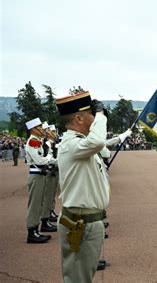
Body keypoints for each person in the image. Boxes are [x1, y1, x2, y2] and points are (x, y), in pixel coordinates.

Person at [55, 91, 110, 282]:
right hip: (81, 223)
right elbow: (98, 141)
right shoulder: (71, 144)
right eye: (92, 115)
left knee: (83, 276)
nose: (95, 119)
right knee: (78, 279)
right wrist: (101, 116)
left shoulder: (80, 143)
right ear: (79, 118)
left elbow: (103, 148)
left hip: (87, 221)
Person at [24, 117, 57, 243]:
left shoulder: (37, 141)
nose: (42, 130)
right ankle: (32, 232)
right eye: (39, 128)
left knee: (40, 203)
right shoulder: (33, 141)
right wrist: (49, 157)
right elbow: (39, 160)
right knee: (35, 205)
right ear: (33, 129)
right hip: (36, 175)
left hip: (40, 175)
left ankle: (36, 230)